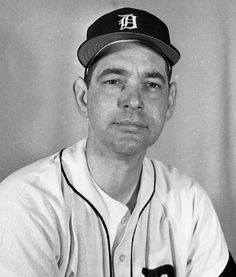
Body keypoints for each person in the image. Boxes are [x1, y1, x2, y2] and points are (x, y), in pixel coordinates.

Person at [0, 6, 235, 277]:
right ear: (83, 97)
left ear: (169, 102)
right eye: (113, 81)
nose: (133, 100)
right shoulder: (25, 205)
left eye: (152, 84)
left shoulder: (189, 201)